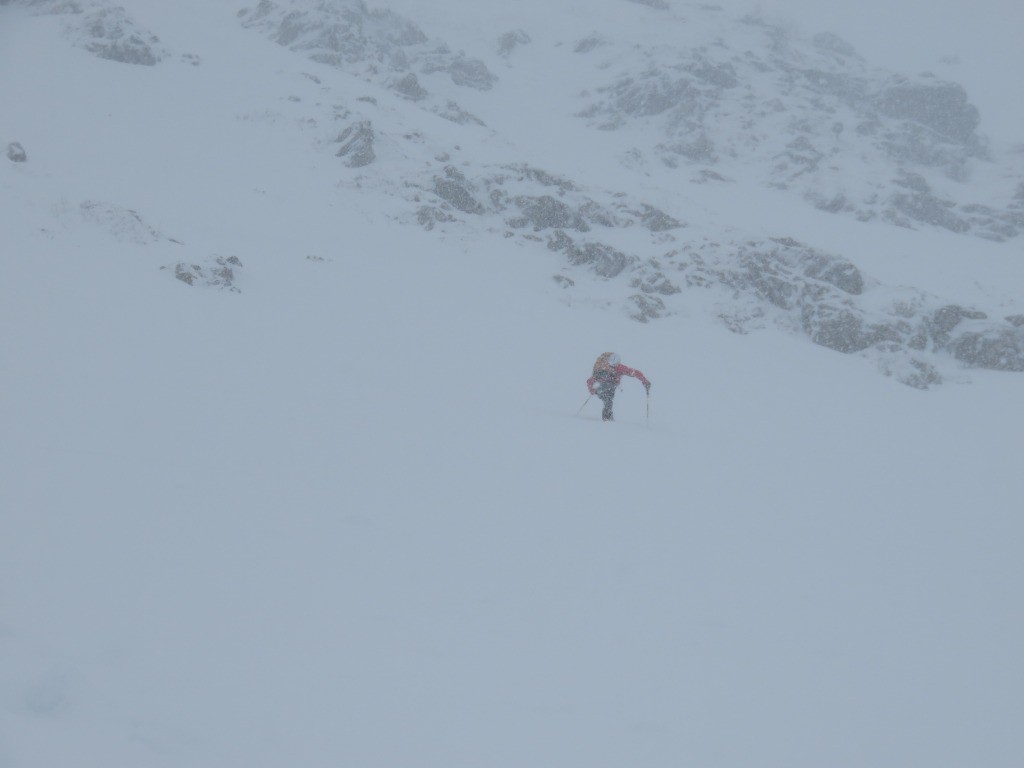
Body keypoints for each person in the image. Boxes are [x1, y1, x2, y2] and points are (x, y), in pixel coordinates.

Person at [586, 352, 650, 422]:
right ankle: (607, 420)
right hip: (603, 388)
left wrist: (645, 381)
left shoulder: (620, 368)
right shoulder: (602, 369)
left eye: (614, 365)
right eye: (611, 366)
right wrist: (592, 390)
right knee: (608, 399)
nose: (612, 368)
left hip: (611, 387)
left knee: (609, 401)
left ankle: (608, 420)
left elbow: (634, 372)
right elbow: (590, 381)